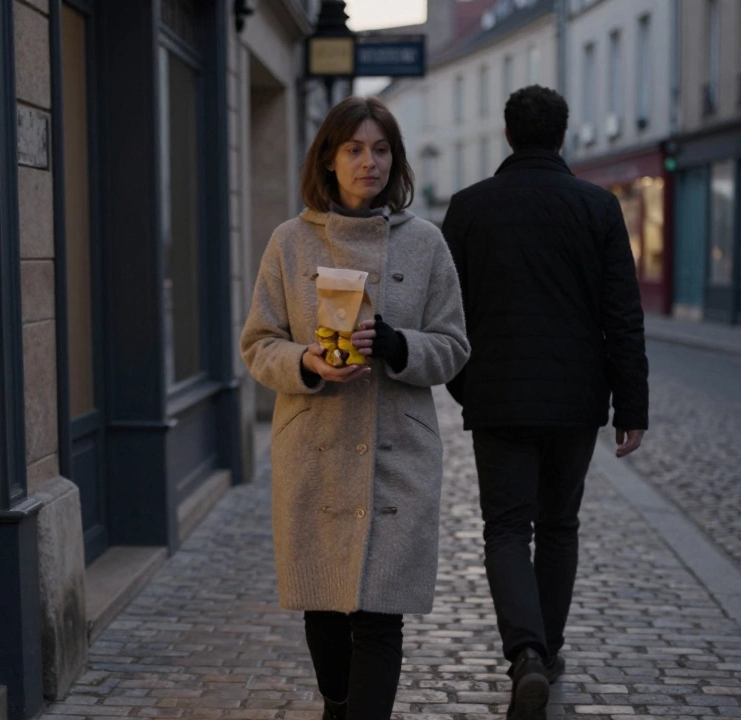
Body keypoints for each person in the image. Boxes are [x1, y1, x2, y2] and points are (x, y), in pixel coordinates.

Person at [240, 96, 470, 720]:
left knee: (378, 618)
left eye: (381, 149)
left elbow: (454, 348)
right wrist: (306, 364)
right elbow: (258, 344)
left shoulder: (426, 243)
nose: (369, 162)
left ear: (394, 160)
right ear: (330, 158)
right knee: (325, 618)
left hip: (400, 452)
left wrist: (397, 345)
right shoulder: (289, 241)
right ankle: (337, 704)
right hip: (315, 449)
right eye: (354, 149)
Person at [442, 85, 649, 720]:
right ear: (562, 136)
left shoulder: (469, 208)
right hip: (575, 403)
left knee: (506, 528)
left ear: (508, 135)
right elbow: (623, 315)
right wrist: (630, 406)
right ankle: (548, 648)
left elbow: (446, 311)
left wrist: (465, 385)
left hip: (497, 400)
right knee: (559, 526)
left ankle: (525, 654)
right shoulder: (597, 207)